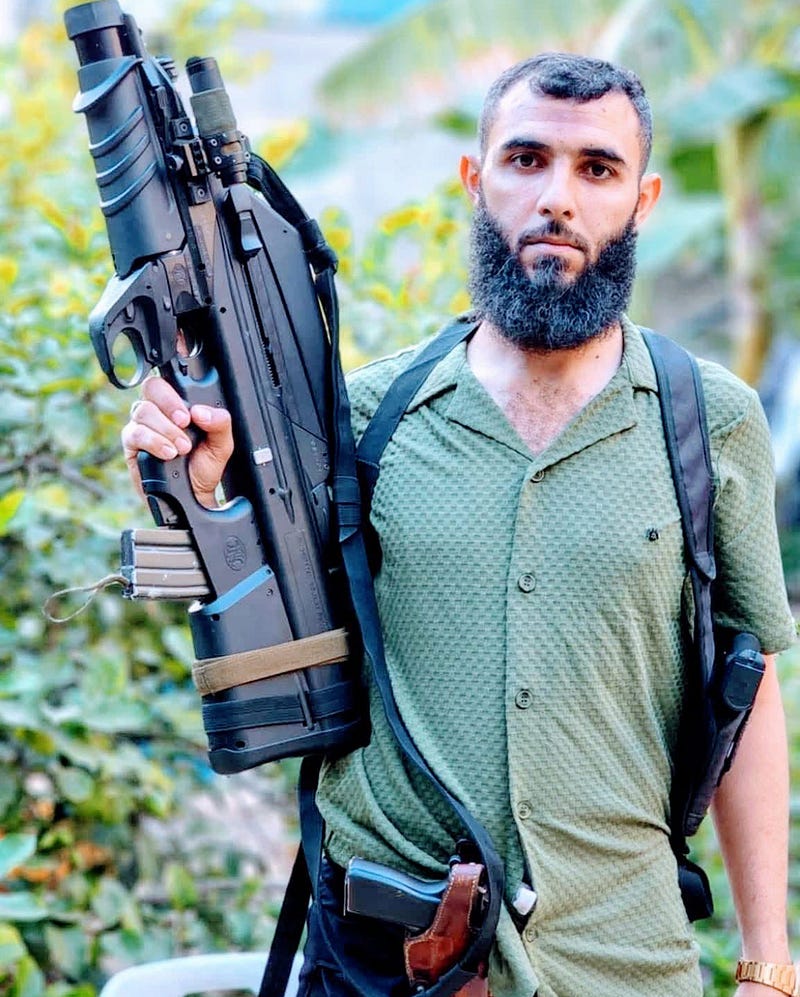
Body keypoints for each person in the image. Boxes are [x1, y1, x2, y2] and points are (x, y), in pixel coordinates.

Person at [121, 53, 796, 997]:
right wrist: (199, 481)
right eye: (526, 159)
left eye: (597, 169)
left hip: (623, 960)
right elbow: (264, 605)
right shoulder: (360, 418)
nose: (556, 197)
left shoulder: (708, 421)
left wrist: (768, 962)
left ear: (641, 201)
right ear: (476, 180)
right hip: (384, 963)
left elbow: (747, 682)